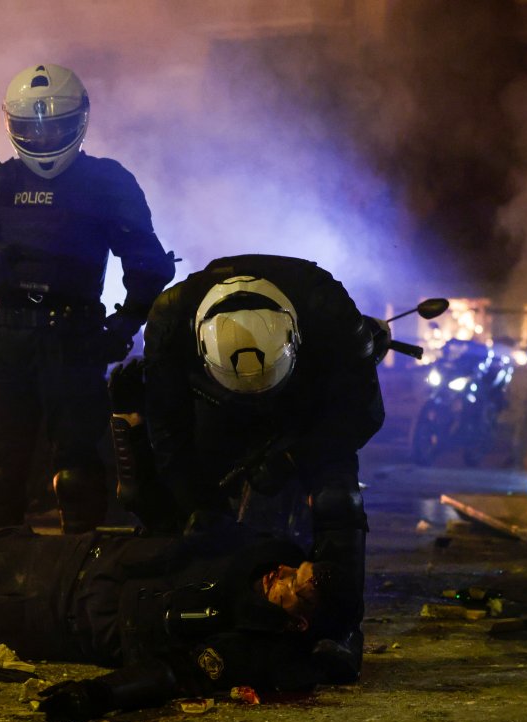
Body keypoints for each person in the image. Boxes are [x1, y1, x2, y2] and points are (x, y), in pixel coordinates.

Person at [0, 63, 175, 536]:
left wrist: (124, 326)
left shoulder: (106, 181)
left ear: (79, 122)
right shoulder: (1, 185)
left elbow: (147, 264)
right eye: (32, 129)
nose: (44, 140)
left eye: (56, 128)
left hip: (73, 342)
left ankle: (79, 576)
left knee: (75, 469)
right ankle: (1, 569)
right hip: (12, 346)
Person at [141, 254, 384, 682]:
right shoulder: (169, 317)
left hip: (307, 410)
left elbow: (363, 413)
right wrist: (197, 501)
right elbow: (166, 430)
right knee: (189, 510)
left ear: (295, 336)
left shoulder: (328, 307)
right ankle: (192, 611)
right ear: (200, 346)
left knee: (337, 495)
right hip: (217, 410)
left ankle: (340, 629)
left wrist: (296, 456)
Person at [0, 522, 345, 722]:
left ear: (299, 623)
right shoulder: (254, 548)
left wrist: (101, 693)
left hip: (62, 622)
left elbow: (174, 673)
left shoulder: (254, 644)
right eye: (292, 569)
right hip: (65, 559)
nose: (280, 575)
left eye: (293, 589)